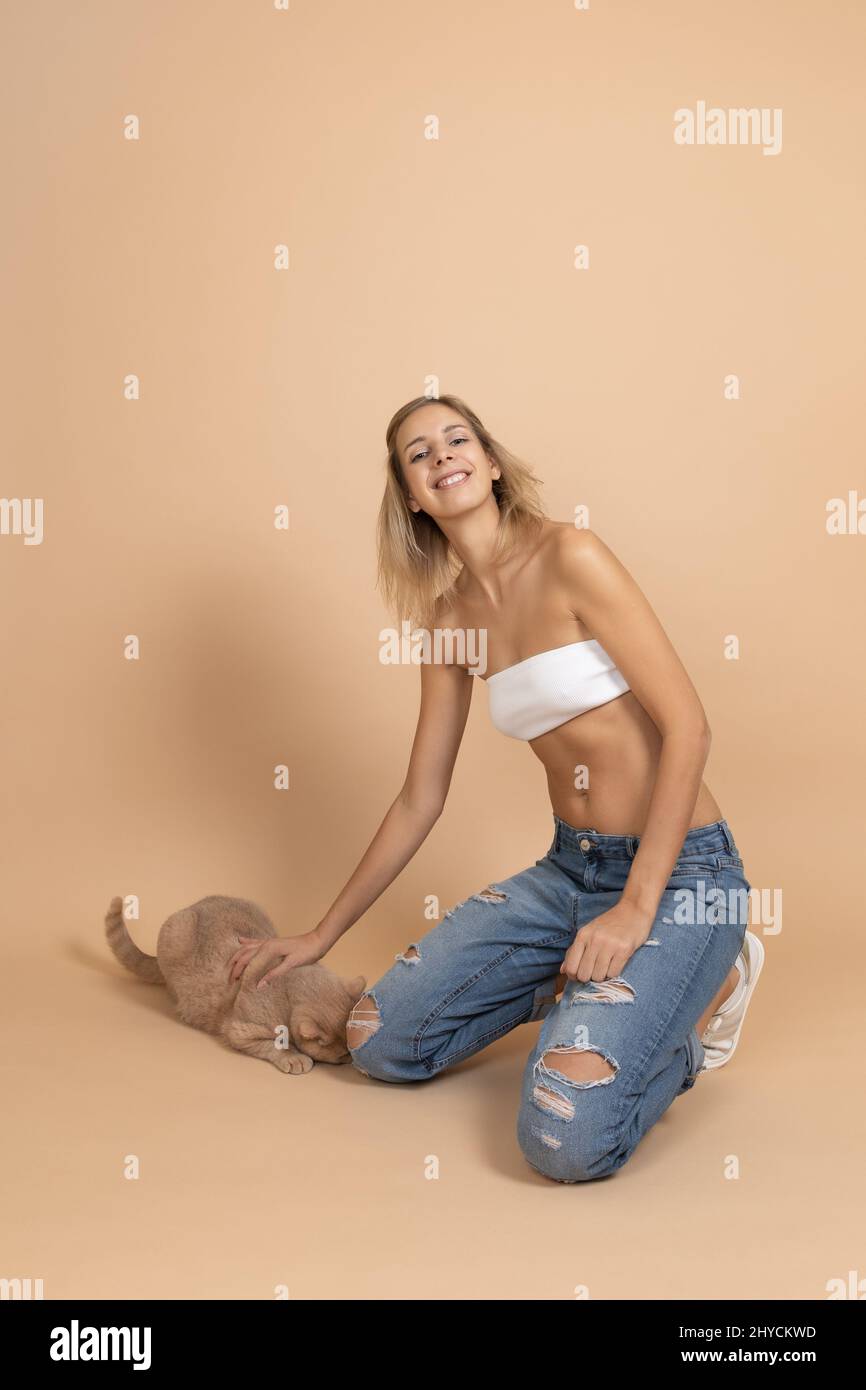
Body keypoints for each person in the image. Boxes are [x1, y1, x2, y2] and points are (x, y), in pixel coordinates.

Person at [228, 393, 764, 1183]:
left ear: (489, 459)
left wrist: (637, 907)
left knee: (562, 1141)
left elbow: (689, 726)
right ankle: (588, 992)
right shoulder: (448, 623)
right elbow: (420, 798)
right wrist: (320, 935)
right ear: (410, 493)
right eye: (420, 453)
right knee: (376, 1041)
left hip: (682, 874)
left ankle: (702, 1002)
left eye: (457, 438)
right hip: (569, 873)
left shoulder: (570, 555)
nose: (443, 455)